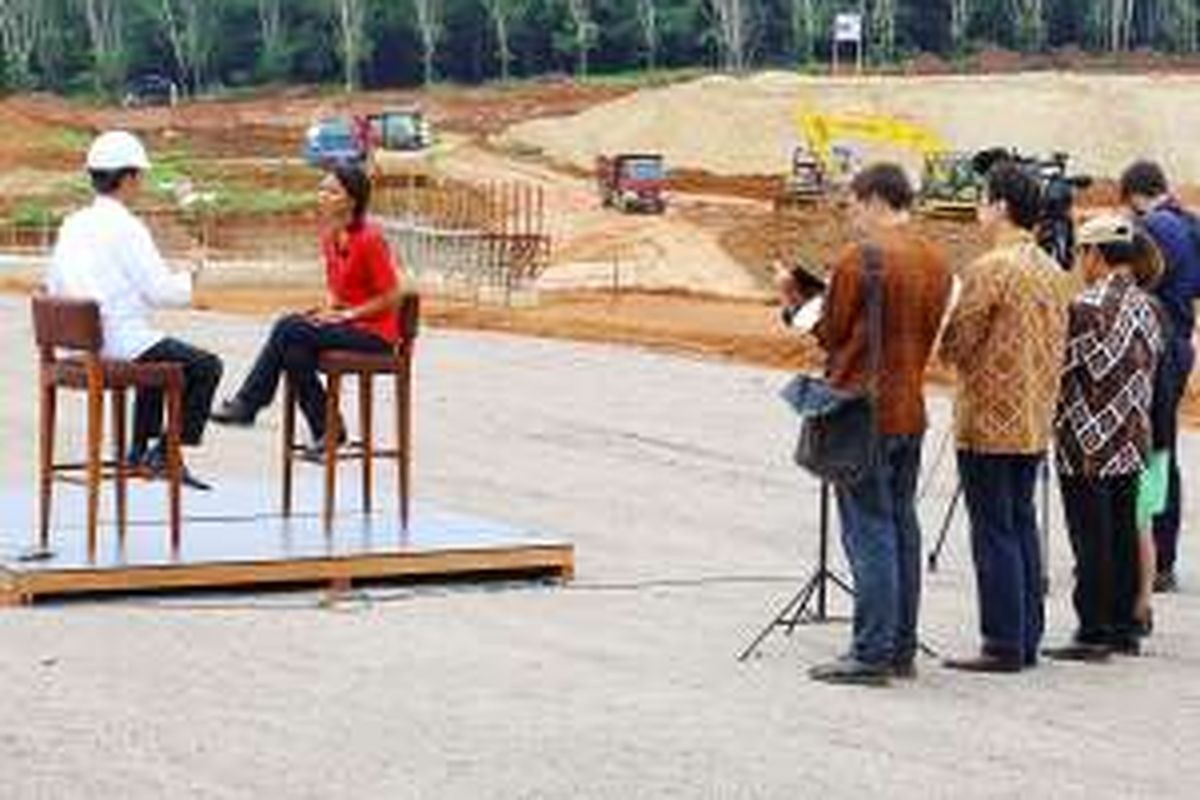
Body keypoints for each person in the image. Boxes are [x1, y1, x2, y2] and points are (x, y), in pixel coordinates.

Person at [778, 162, 952, 686]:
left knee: (870, 531)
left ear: (874, 199)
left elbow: (830, 333)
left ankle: (871, 651)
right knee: (901, 525)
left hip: (864, 411)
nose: (850, 215)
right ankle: (899, 647)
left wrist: (794, 298)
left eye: (853, 203)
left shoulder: (863, 258)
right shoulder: (936, 260)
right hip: (909, 410)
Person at [939, 161, 1074, 674]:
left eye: (981, 198)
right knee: (1020, 525)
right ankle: (1026, 635)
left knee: (993, 530)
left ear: (999, 205)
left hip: (989, 420)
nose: (978, 208)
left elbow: (957, 343)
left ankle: (1001, 641)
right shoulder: (1050, 269)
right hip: (1034, 416)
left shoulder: (991, 268)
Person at [44, 130, 222, 490]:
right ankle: (165, 453)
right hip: (114, 344)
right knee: (205, 367)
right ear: (127, 177)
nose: (141, 183)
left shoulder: (72, 225)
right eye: (139, 176)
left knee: (156, 354)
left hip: (75, 347)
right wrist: (192, 272)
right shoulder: (127, 227)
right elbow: (162, 293)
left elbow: (54, 284)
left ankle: (141, 451)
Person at [210, 164, 404, 451]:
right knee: (293, 351)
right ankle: (329, 430)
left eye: (332, 191)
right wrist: (326, 310)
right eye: (322, 189)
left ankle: (249, 403)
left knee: (287, 326)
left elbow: (392, 296)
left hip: (375, 336)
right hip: (347, 326)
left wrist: (347, 314)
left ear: (351, 200)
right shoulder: (331, 238)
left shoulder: (370, 240)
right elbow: (337, 291)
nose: (322, 195)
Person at [1044, 215, 1164, 662]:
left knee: (1090, 537)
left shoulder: (1086, 308)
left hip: (1086, 440)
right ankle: (1121, 627)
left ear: (1093, 255)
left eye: (1081, 253)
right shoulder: (1149, 307)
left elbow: (1060, 367)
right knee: (1122, 533)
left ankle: (1092, 630)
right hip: (1132, 437)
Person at [1119, 161, 1200, 593]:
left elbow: (1136, 282)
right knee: (1163, 452)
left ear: (1134, 195)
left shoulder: (1153, 226)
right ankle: (1162, 557)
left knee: (1146, 451)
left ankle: (1146, 554)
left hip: (1155, 345)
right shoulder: (1191, 223)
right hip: (1181, 340)